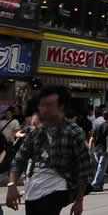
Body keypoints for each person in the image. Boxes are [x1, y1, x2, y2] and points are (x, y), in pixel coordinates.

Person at [5, 86, 93, 215]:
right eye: (42, 105)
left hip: (57, 188)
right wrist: (12, 185)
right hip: (32, 190)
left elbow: (84, 169)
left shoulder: (73, 132)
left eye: (49, 105)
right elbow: (19, 160)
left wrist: (79, 200)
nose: (44, 109)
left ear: (61, 106)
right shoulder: (34, 131)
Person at [88, 111, 108, 192]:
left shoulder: (97, 125)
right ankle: (95, 184)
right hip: (104, 149)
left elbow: (92, 138)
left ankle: (100, 186)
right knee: (101, 168)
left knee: (99, 168)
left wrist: (90, 149)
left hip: (96, 149)